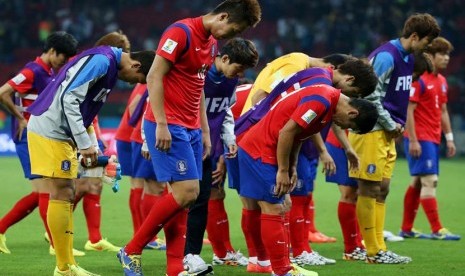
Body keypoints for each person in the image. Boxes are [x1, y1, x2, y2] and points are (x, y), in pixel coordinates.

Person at [117, 1, 261, 275]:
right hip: (170, 125)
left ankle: (175, 268)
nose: (230, 36)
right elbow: (154, 76)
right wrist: (160, 123)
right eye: (233, 29)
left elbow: (198, 88)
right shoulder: (180, 32)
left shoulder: (211, 43)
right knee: (187, 193)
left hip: (192, 127)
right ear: (223, 16)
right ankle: (132, 249)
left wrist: (205, 131)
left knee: (185, 198)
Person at [26, 45, 155, 276]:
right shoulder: (103, 61)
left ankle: (66, 266)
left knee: (66, 191)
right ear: (136, 65)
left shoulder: (109, 66)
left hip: (59, 130)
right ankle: (65, 268)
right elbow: (69, 99)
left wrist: (91, 144)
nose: (134, 83)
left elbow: (85, 108)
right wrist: (84, 142)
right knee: (62, 191)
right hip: (51, 129)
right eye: (138, 79)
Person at [238, 83, 378, 276]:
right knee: (275, 207)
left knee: (282, 205)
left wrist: (292, 165)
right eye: (348, 126)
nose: (342, 126)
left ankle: (270, 264)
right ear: (352, 113)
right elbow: (286, 132)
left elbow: (300, 134)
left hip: (266, 148)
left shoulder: (328, 103)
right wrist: (283, 170)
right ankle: (281, 270)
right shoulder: (321, 100)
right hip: (261, 150)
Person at [348, 13, 440, 264]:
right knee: (368, 188)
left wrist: (395, 127)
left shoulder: (408, 57)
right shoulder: (387, 56)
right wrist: (392, 124)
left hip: (387, 132)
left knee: (383, 189)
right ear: (414, 36)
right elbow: (369, 95)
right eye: (426, 42)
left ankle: (380, 246)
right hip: (371, 130)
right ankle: (372, 251)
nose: (427, 48)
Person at [181, 38, 258, 274]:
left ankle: (192, 255)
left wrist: (229, 140)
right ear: (224, 59)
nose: (241, 73)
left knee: (203, 198)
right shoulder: (197, 76)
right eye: (239, 68)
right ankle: (157, 250)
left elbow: (225, 111)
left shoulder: (230, 80)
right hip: (184, 143)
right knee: (181, 200)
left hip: (208, 147)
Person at [0, 31, 78, 255]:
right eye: (63, 56)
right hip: (28, 137)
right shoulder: (32, 71)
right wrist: (19, 118)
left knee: (45, 190)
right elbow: (3, 92)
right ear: (52, 51)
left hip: (41, 137)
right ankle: (56, 245)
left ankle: (2, 229)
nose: (64, 61)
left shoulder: (47, 72)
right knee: (46, 191)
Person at [71, 31, 132, 253]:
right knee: (75, 187)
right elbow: (76, 104)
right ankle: (55, 233)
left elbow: (92, 109)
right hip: (75, 131)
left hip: (89, 131)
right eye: (124, 52)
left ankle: (94, 239)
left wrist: (96, 136)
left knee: (95, 184)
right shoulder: (94, 66)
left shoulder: (106, 70)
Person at [399, 37, 460, 240]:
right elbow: (409, 110)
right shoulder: (420, 79)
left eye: (448, 54)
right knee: (430, 181)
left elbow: (443, 111)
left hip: (433, 138)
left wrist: (449, 138)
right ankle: (437, 229)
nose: (446, 58)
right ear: (430, 56)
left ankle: (406, 228)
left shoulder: (442, 81)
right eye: (441, 54)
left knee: (417, 181)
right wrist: (414, 140)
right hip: (420, 138)